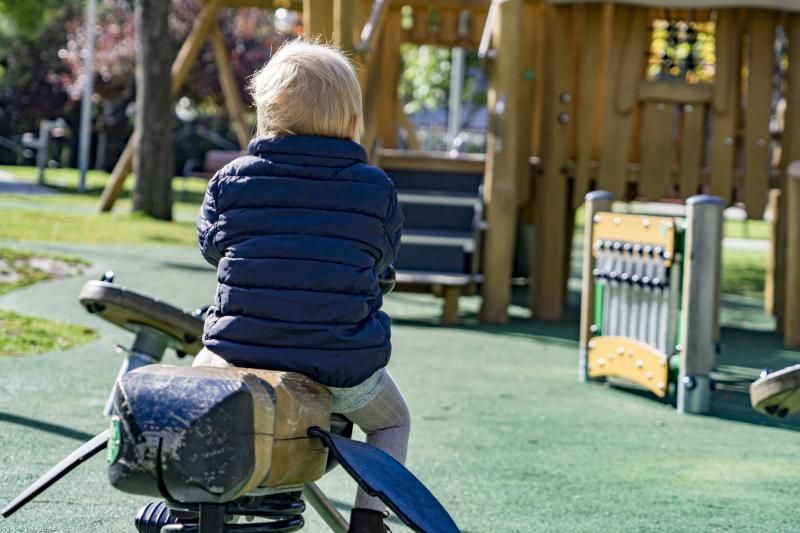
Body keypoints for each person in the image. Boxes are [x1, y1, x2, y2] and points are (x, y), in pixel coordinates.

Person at [194, 39, 408, 533]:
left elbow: (211, 249)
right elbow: (383, 259)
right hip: (338, 358)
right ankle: (368, 520)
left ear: (265, 117)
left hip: (241, 349)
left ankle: (194, 495)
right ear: (353, 123)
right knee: (392, 422)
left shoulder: (230, 181)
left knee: (198, 390)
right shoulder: (376, 189)